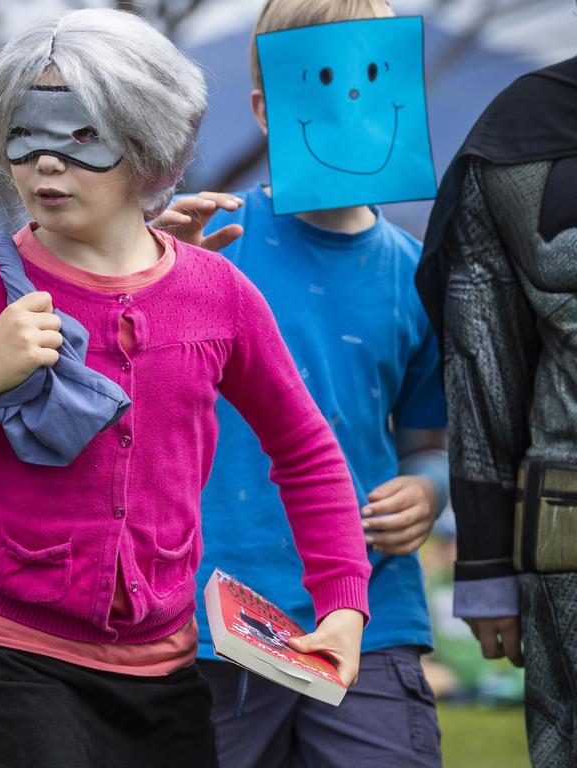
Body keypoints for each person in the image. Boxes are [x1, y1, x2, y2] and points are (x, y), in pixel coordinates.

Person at [0, 9, 371, 767]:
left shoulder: (220, 295)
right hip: (6, 657)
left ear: (150, 143)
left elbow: (306, 450)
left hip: (167, 668)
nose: (45, 163)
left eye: (81, 136)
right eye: (25, 132)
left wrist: (344, 604)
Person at [155, 1, 449, 764]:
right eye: (313, 83)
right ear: (264, 108)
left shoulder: (415, 274)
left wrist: (429, 490)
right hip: (213, 617)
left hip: (371, 617)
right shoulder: (212, 243)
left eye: (369, 76)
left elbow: (430, 437)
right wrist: (159, 276)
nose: (345, 103)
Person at [415, 54, 577, 768]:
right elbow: (482, 368)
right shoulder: (521, 130)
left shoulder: (520, 125)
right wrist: (481, 565)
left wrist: (484, 566)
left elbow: (483, 367)